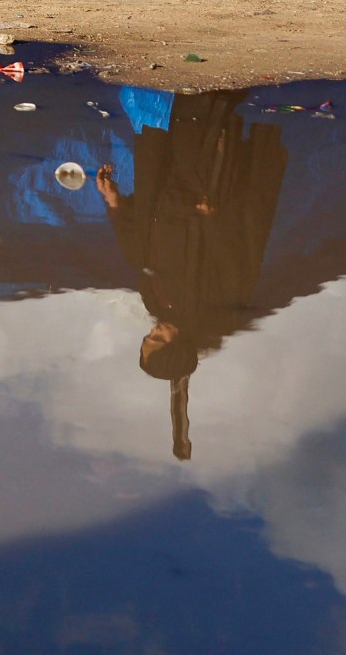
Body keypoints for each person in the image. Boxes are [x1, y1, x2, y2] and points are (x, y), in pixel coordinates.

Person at [96, 90, 286, 461]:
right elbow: (235, 257)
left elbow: (139, 256)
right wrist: (212, 221)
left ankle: (190, 95)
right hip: (202, 205)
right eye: (157, 339)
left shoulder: (155, 303)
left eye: (148, 339)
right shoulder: (214, 305)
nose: (152, 330)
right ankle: (213, 93)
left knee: (170, 138)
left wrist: (116, 205)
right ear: (177, 344)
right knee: (199, 134)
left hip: (160, 201)